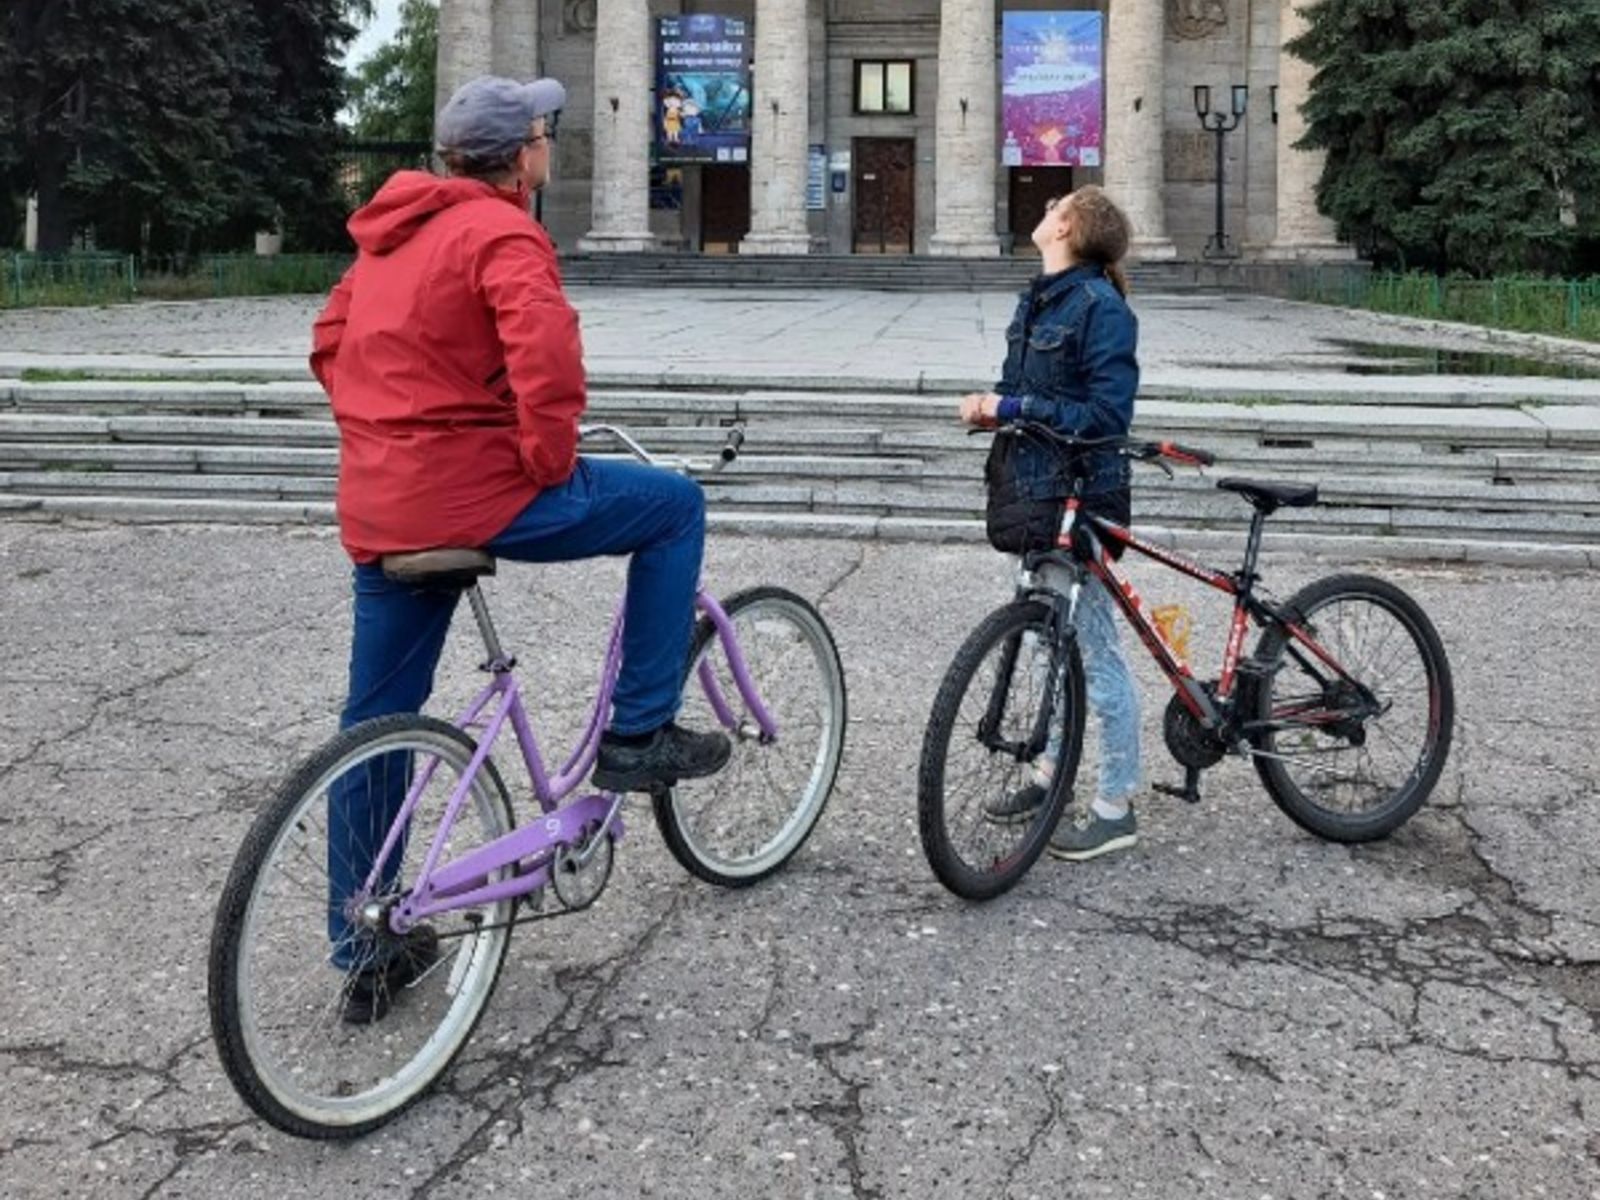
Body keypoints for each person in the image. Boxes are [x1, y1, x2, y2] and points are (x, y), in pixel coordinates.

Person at [310, 76, 730, 1017]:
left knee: (372, 724)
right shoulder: (502, 230)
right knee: (674, 507)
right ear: (528, 153)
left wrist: (388, 438)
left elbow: (329, 339)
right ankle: (639, 732)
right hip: (478, 493)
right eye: (547, 133)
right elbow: (547, 354)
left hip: (383, 504)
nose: (548, 146)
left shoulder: (388, 235)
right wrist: (543, 456)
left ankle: (359, 945)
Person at [957, 185, 1143, 861]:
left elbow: (1106, 417)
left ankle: (1116, 802)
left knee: (1093, 651)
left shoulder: (1101, 306)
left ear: (1068, 225)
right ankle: (1050, 771)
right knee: (1046, 643)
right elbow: (1037, 397)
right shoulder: (1038, 298)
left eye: (1053, 206)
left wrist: (1008, 407)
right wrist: (998, 408)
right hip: (1033, 492)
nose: (1040, 212)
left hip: (1081, 497)